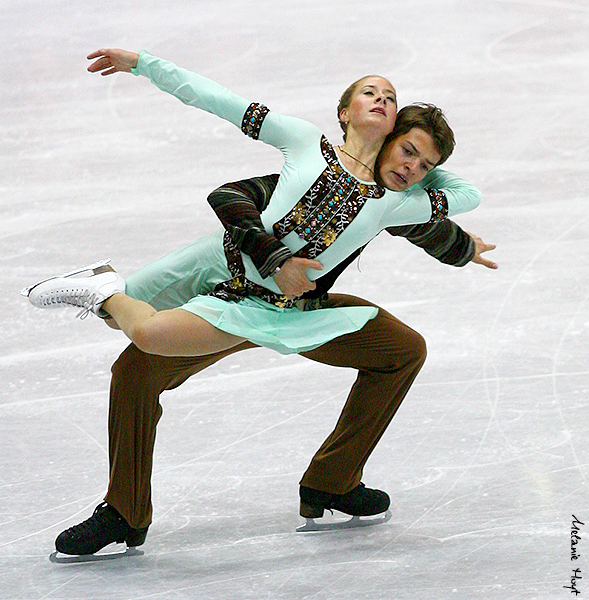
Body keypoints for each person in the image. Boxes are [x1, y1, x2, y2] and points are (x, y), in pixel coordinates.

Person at [24, 49, 493, 557]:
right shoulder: (304, 143)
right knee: (136, 365)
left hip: (296, 310)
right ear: (344, 111)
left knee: (402, 350)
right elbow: (220, 108)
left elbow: (436, 224)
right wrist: (143, 63)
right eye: (370, 94)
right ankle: (124, 511)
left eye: (390, 100)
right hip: (226, 279)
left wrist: (460, 240)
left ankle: (332, 482)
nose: (381, 101)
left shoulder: (394, 196)